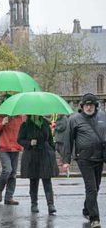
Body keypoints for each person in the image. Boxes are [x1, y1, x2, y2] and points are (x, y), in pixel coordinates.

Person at [62, 93, 105, 228]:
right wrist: (66, 160)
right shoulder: (74, 119)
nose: (88, 107)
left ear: (95, 106)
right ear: (82, 106)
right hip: (84, 159)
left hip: (99, 157)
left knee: (96, 187)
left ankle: (87, 209)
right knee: (91, 188)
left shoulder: (103, 117)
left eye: (91, 105)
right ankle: (95, 219)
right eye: (86, 105)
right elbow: (68, 140)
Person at [18, 115, 58, 215]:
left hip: (45, 154)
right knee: (34, 180)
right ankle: (34, 204)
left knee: (47, 180)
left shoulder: (45, 123)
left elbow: (50, 140)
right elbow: (19, 140)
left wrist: (53, 151)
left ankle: (50, 205)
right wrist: (29, 143)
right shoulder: (25, 125)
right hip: (32, 155)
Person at [0, 96, 24, 205]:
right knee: (7, 170)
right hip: (3, 147)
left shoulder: (19, 117)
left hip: (16, 147)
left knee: (13, 173)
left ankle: (9, 197)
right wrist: (2, 124)